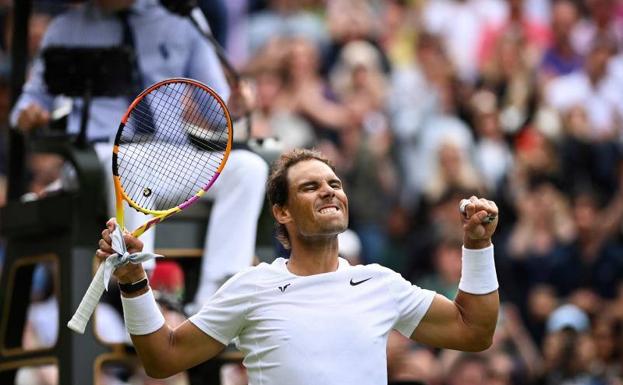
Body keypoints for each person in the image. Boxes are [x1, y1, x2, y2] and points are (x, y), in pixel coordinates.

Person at [96, 148, 500, 384]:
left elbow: (474, 331)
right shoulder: (252, 286)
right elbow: (162, 358)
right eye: (310, 186)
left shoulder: (381, 283)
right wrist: (134, 283)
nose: (328, 190)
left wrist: (477, 247)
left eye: (335, 184)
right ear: (282, 212)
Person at [10, 0, 268, 306]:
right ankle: (143, 296)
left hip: (170, 156)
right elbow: (27, 104)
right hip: (98, 157)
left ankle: (216, 305)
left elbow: (216, 112)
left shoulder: (182, 17)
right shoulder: (65, 29)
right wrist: (29, 115)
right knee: (130, 161)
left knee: (249, 168)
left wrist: (235, 107)